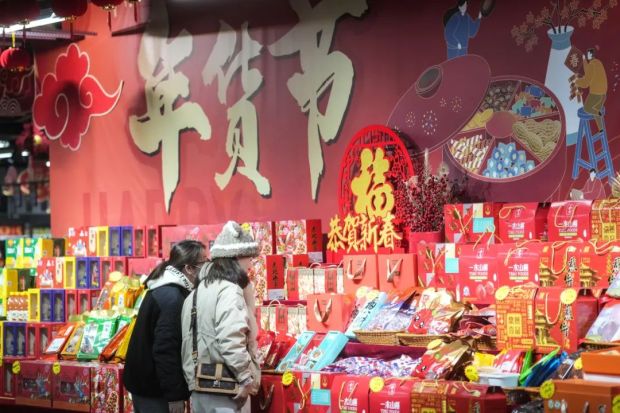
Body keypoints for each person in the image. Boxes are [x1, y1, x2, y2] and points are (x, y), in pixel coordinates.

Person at [182, 221, 260, 413]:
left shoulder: (197, 291)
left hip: (200, 384)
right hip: (224, 388)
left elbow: (186, 341)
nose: (250, 265)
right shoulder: (229, 291)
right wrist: (245, 378)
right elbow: (230, 339)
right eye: (249, 258)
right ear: (236, 258)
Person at [124, 240, 207, 413]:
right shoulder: (172, 298)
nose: (206, 268)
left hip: (147, 384)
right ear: (189, 268)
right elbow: (166, 349)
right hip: (154, 389)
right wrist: (175, 395)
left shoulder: (164, 288)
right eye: (204, 263)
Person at [576, 48, 608, 130]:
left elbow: (586, 83)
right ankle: (601, 129)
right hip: (603, 94)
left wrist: (577, 81)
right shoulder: (598, 62)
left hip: (596, 94)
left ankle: (598, 112)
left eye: (587, 54)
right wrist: (584, 60)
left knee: (587, 108)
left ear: (590, 54)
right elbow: (588, 71)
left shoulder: (591, 65)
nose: (587, 56)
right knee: (595, 108)